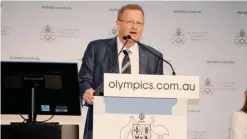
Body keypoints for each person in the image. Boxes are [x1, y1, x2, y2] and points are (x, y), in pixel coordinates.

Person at [78, 4, 163, 139]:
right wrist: (86, 91)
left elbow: (159, 93)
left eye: (139, 23)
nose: (135, 27)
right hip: (102, 122)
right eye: (130, 22)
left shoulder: (154, 56)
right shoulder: (96, 48)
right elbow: (83, 79)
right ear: (118, 24)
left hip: (137, 125)